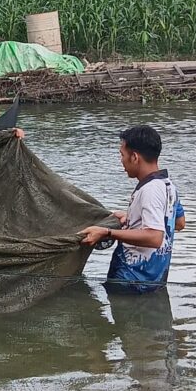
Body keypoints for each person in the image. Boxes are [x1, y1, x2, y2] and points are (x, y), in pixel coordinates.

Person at [81, 125, 183, 293]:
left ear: (135, 157)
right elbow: (178, 223)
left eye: (122, 155)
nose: (121, 160)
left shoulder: (149, 190)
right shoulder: (168, 185)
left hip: (131, 282)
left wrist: (106, 232)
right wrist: (131, 218)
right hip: (155, 282)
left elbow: (154, 237)